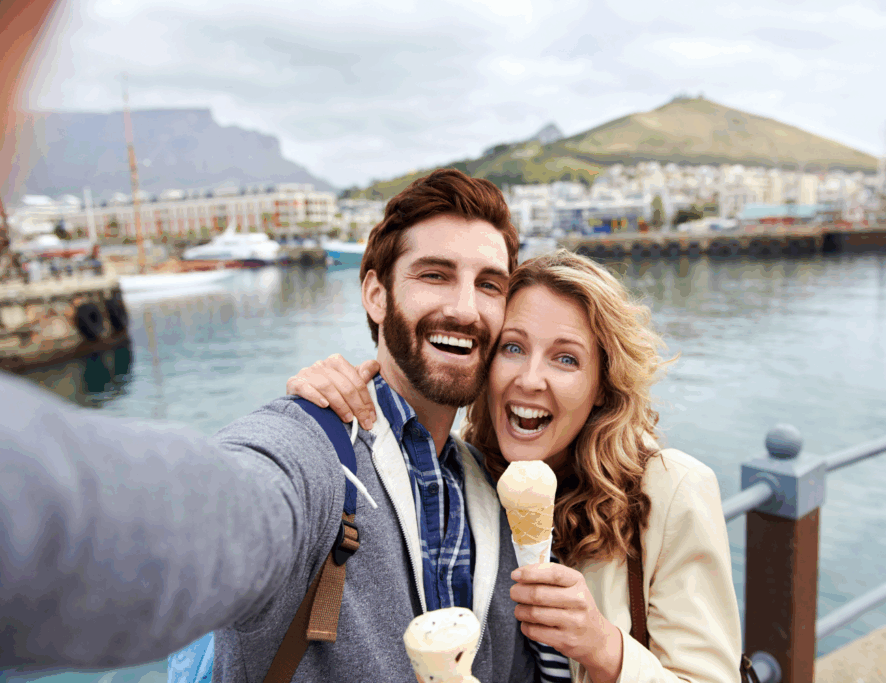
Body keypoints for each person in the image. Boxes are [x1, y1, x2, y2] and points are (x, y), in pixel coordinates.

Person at [1, 169, 539, 683]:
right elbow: (220, 509)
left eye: (489, 285)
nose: (465, 308)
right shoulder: (315, 450)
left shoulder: (490, 487)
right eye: (435, 275)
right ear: (375, 294)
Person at [287, 249, 744, 683]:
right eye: (512, 348)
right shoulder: (462, 476)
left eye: (566, 358)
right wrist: (327, 400)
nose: (529, 379)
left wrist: (603, 646)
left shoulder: (669, 491)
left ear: (602, 384)